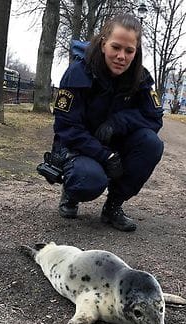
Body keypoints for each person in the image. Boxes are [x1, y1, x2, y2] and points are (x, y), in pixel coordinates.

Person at [50, 14, 164, 231]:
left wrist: (118, 122)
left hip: (114, 142)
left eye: (129, 51)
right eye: (116, 47)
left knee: (151, 144)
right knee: (88, 180)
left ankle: (113, 206)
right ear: (103, 44)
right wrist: (104, 155)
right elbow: (66, 127)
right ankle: (71, 192)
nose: (122, 56)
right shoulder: (78, 72)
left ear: (136, 51)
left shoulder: (140, 78)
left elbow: (154, 117)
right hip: (80, 147)